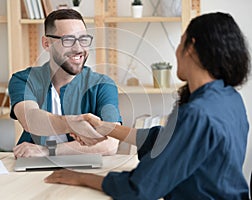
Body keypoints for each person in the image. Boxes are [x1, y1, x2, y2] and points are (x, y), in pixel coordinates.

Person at [44, 12, 251, 199]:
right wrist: (107, 128)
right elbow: (166, 141)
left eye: (181, 43)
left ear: (192, 48)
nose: (177, 51)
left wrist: (80, 178)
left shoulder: (197, 113)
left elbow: (140, 188)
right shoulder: (229, 99)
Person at [8, 9, 121, 158]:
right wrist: (72, 124)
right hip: (30, 163)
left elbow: (110, 144)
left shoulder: (103, 85)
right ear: (47, 43)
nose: (79, 48)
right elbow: (31, 119)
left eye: (83, 39)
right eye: (68, 40)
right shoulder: (24, 80)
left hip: (80, 170)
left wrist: (48, 151)